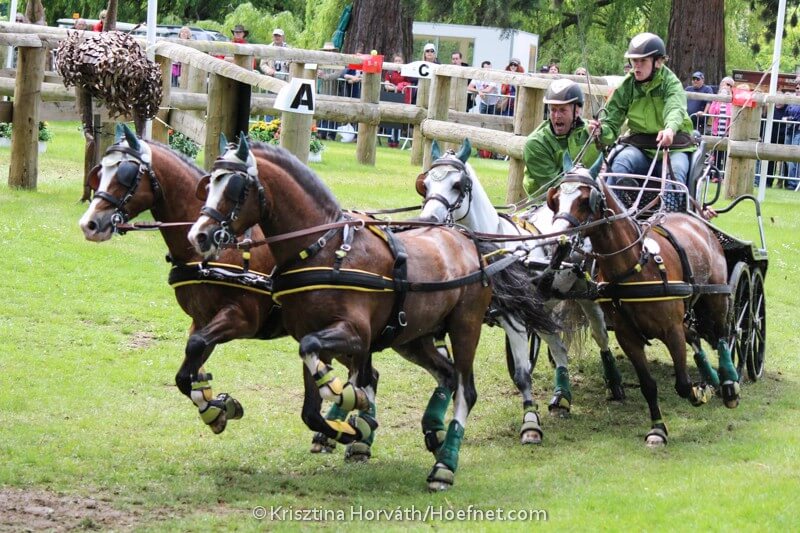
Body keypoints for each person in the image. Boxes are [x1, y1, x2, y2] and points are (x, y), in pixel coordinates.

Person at [588, 32, 696, 211]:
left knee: (675, 173)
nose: (636, 66)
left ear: (658, 62)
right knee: (620, 164)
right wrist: (601, 131)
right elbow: (611, 122)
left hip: (674, 147)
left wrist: (670, 129)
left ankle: (669, 217)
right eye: (634, 61)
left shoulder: (671, 83)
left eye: (643, 61)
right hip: (641, 149)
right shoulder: (626, 86)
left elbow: (675, 108)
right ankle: (617, 216)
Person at [523, 79, 601, 197]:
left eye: (563, 110)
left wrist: (601, 138)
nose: (557, 116)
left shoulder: (591, 132)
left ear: (577, 111)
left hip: (589, 199)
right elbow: (556, 186)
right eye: (553, 110)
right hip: (548, 203)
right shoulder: (535, 144)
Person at [383, 53, 412, 147]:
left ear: (403, 62)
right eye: (396, 61)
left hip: (402, 97)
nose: (398, 62)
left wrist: (398, 88)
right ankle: (390, 140)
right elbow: (386, 85)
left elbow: (407, 85)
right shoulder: (389, 72)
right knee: (389, 117)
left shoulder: (406, 72)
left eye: (399, 61)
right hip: (391, 96)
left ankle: (396, 140)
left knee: (398, 118)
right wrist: (396, 88)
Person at [783, 83, 800, 191]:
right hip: (789, 130)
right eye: (797, 88)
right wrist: (788, 119)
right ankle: (790, 181)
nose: (798, 90)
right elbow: (785, 113)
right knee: (787, 156)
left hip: (798, 131)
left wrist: (789, 119)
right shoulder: (792, 101)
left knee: (795, 156)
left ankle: (793, 182)